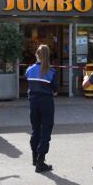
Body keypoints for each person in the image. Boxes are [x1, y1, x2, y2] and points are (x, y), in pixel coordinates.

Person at [25, 45, 57, 173]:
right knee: (46, 131)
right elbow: (55, 91)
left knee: (35, 129)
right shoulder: (51, 71)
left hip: (33, 102)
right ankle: (40, 161)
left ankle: (34, 158)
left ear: (36, 55)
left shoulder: (29, 70)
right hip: (47, 102)